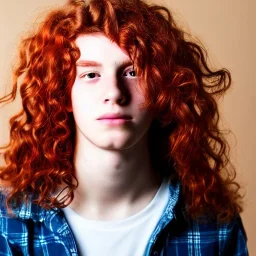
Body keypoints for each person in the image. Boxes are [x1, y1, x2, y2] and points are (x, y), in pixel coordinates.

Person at [0, 0, 248, 255]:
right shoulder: (8, 222)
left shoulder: (215, 226)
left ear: (162, 89)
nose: (114, 93)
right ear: (63, 94)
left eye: (133, 72)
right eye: (91, 75)